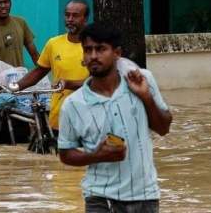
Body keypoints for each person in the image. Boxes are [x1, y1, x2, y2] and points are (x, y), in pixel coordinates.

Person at [58, 23, 173, 213]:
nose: (93, 56)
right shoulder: (73, 104)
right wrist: (97, 155)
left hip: (145, 196)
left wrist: (146, 97)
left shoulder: (142, 80)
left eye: (101, 49)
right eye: (88, 50)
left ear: (117, 53)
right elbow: (65, 154)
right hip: (99, 198)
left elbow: (163, 128)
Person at [9, 0, 90, 131]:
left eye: (75, 16)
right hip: (59, 116)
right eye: (67, 15)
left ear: (85, 18)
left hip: (88, 118)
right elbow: (39, 71)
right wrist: (15, 86)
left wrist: (69, 84)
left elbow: (99, 82)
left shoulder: (94, 46)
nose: (69, 19)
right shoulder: (54, 44)